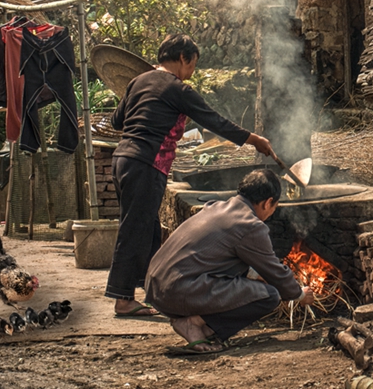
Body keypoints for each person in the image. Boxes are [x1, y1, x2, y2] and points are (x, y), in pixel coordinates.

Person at [106, 33, 275, 317]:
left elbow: (116, 121)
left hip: (122, 160)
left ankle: (151, 293)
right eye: (192, 64)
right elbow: (214, 120)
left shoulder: (138, 81)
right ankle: (122, 298)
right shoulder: (177, 90)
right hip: (146, 164)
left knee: (147, 230)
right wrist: (253, 139)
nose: (191, 72)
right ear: (183, 58)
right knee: (134, 229)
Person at [145, 169, 315, 354]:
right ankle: (195, 324)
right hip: (175, 291)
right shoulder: (250, 225)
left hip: (156, 286)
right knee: (269, 295)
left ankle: (204, 328)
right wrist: (298, 294)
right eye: (274, 207)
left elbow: (222, 259)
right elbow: (275, 272)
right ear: (268, 203)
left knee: (257, 287)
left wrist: (255, 275)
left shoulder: (215, 207)